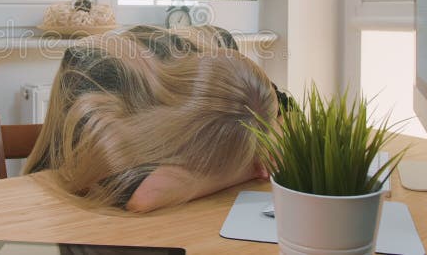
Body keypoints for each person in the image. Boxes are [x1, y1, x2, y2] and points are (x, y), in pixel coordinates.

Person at [23, 25, 281, 212]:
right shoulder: (94, 73)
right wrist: (247, 167)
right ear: (192, 122)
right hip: (55, 215)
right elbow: (142, 195)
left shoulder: (220, 52)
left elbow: (287, 120)